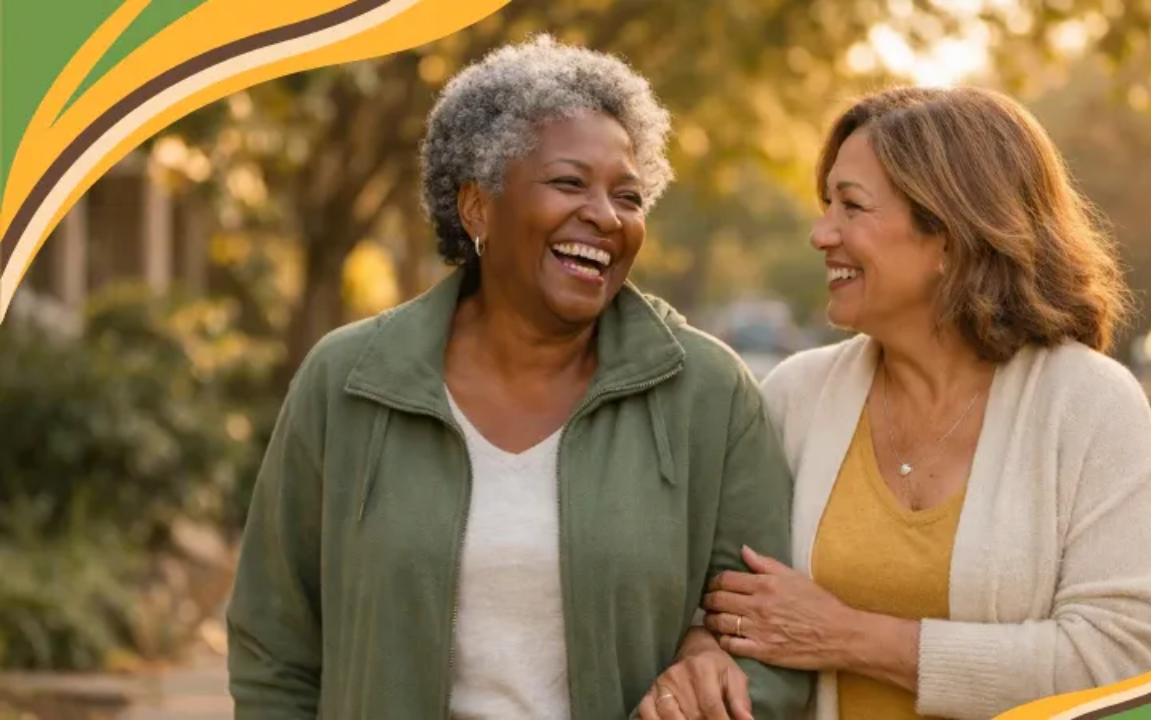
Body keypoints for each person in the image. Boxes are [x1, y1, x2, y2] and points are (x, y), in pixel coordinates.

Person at [225, 35, 812, 720]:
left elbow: (768, 648)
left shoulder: (708, 393)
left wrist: (706, 683)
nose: (605, 215)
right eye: (569, 182)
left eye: (628, 195)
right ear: (476, 207)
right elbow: (274, 645)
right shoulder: (348, 380)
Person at [700, 86, 1151, 720]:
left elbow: (1136, 655)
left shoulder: (1089, 405)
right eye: (825, 204)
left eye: (851, 206)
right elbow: (719, 602)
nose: (821, 232)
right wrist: (701, 647)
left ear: (949, 233)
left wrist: (855, 638)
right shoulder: (794, 398)